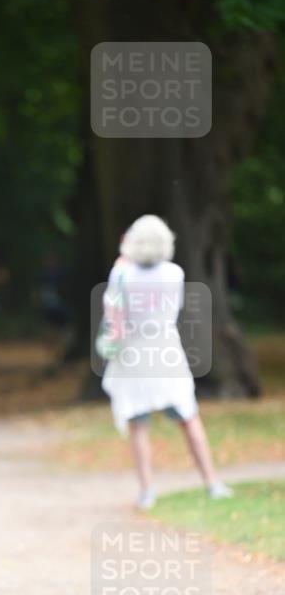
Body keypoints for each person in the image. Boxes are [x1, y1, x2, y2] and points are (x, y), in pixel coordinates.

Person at [100, 214, 234, 510]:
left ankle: (147, 491)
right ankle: (212, 482)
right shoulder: (175, 273)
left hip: (133, 355)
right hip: (166, 351)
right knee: (189, 417)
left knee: (138, 423)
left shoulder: (122, 274)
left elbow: (113, 317)